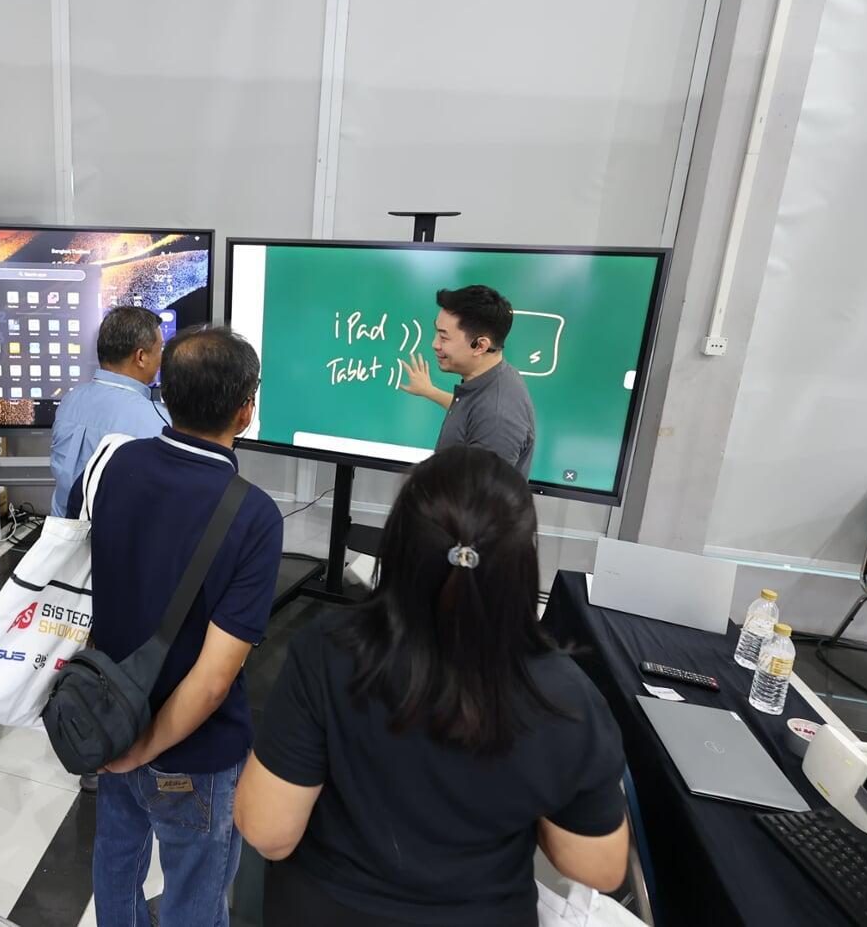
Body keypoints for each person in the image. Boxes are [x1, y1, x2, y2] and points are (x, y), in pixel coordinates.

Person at [234, 445, 629, 926]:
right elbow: (599, 866)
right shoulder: (566, 696)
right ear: (522, 563)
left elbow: (267, 831)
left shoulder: (325, 650)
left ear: (397, 545)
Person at [66, 326, 283, 927]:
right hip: (195, 753)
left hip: (110, 714)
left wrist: (129, 748)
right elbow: (213, 681)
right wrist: (147, 749)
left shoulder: (112, 463)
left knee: (116, 863)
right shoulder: (254, 514)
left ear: (166, 393)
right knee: (196, 895)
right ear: (245, 410)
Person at [398, 284, 536, 476]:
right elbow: (470, 412)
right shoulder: (496, 377)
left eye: (444, 338)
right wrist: (430, 391)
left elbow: (476, 494)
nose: (435, 344)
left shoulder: (497, 419)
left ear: (480, 346)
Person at [48, 305, 168, 517]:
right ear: (141, 357)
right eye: (160, 349)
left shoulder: (70, 400)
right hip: (114, 535)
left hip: (61, 531)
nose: (162, 358)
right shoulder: (156, 420)